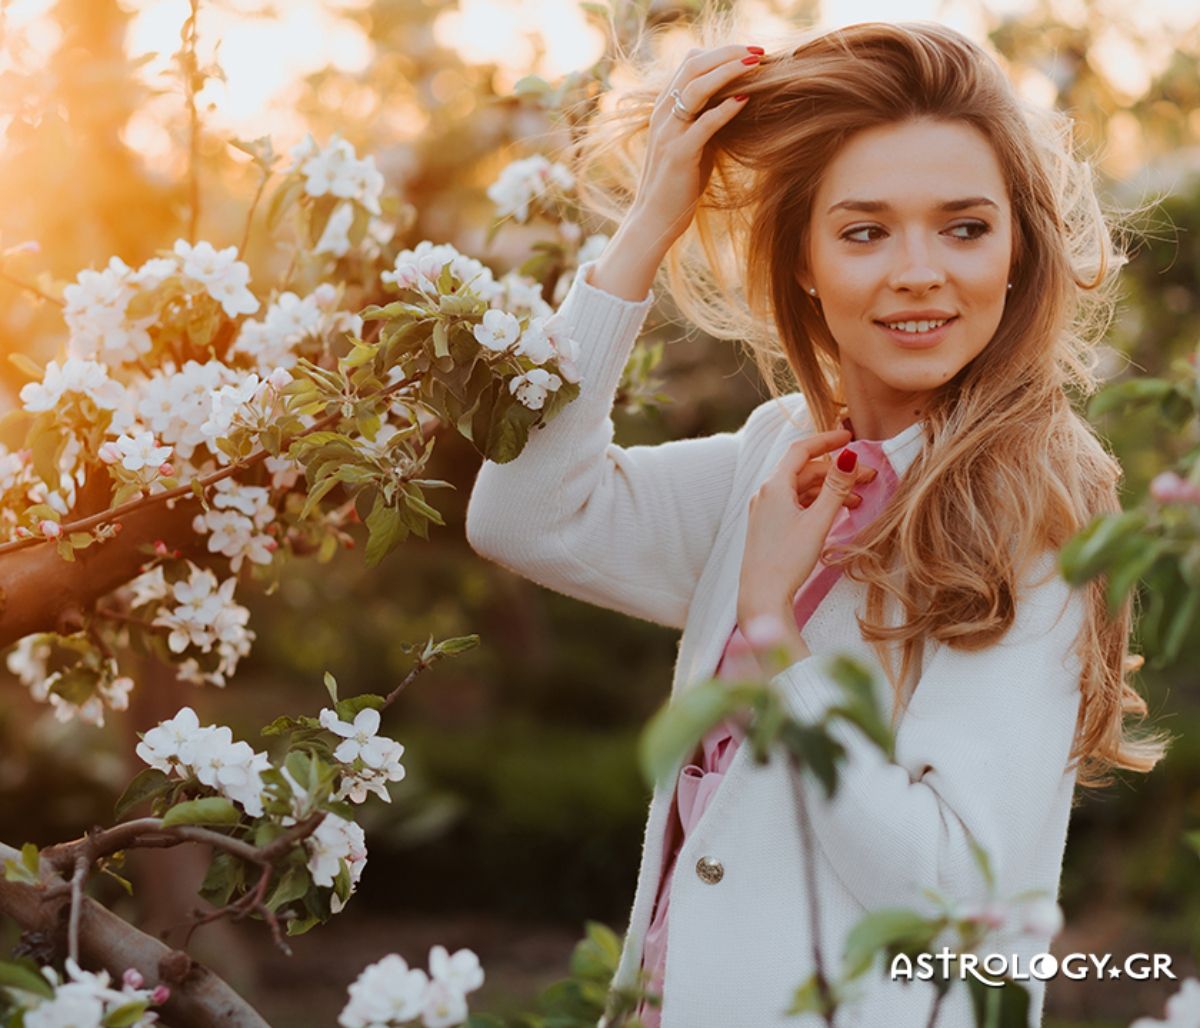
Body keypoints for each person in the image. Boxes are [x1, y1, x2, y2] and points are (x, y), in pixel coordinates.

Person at [465, 17, 1168, 1028]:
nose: (921, 270)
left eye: (965, 227)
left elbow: (951, 901)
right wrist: (647, 225)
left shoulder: (1036, 515)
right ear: (801, 260)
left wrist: (774, 631)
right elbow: (527, 516)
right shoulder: (778, 456)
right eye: (865, 229)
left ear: (1017, 247)